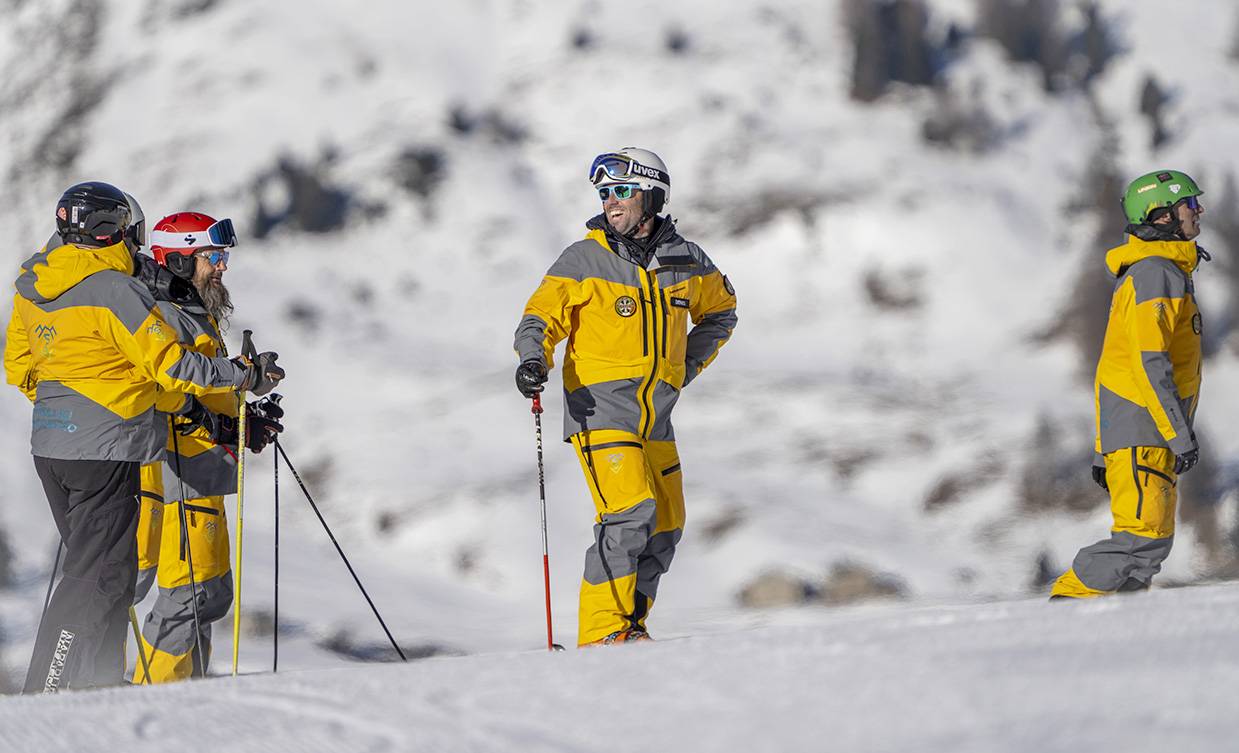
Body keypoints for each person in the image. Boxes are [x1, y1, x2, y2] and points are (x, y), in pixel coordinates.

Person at [3, 182, 285, 692]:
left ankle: (97, 691)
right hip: (121, 451)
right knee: (108, 580)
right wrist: (242, 380)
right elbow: (172, 368)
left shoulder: (38, 286)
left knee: (111, 579)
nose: (222, 265)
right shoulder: (117, 292)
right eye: (212, 255)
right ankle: (50, 694)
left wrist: (70, 410)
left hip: (64, 445)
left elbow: (22, 368)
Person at [513, 148, 738, 645]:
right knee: (630, 512)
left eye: (621, 190)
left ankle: (630, 628)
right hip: (598, 409)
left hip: (655, 416)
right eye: (604, 193)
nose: (610, 201)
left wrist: (683, 368)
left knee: (666, 523)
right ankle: (603, 635)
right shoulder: (583, 258)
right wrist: (533, 358)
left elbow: (722, 312)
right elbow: (539, 318)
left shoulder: (687, 260)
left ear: (652, 195)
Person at [129, 212, 283, 682]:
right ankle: (150, 702)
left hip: (203, 470)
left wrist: (243, 418)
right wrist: (220, 424)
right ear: (177, 259)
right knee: (188, 594)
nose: (221, 267)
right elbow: (167, 393)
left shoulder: (196, 309)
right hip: (176, 473)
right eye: (212, 257)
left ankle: (187, 702)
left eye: (223, 257)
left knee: (210, 594)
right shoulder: (160, 313)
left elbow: (201, 389)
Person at [1051, 169, 1208, 599]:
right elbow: (1146, 362)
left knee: (1149, 546)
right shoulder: (1156, 274)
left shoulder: (1164, 272)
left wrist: (1104, 448)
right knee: (1141, 540)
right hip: (1146, 428)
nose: (1199, 211)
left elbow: (1111, 364)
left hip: (1142, 429)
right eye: (1189, 205)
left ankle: (1107, 637)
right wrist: (1178, 435)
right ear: (1161, 218)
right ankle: (1058, 615)